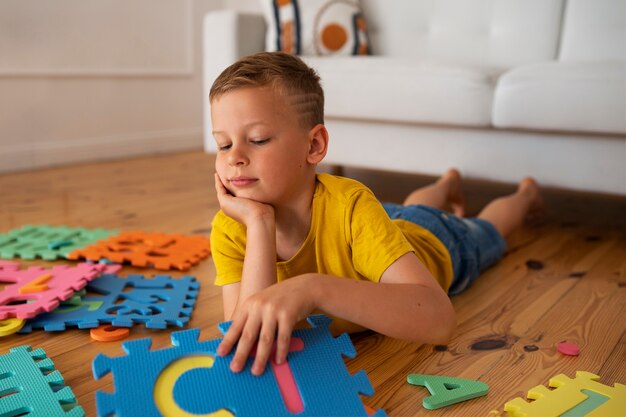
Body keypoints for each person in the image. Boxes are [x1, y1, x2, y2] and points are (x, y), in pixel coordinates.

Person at [209, 51, 543, 377]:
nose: (234, 157)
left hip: (437, 240)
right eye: (223, 145)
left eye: (257, 139)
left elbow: (439, 320)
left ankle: (526, 193)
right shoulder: (232, 226)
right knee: (412, 207)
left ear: (314, 146)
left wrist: (312, 288)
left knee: (486, 227)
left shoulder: (352, 205)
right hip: (383, 225)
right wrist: (259, 223)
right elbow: (247, 337)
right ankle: (446, 182)